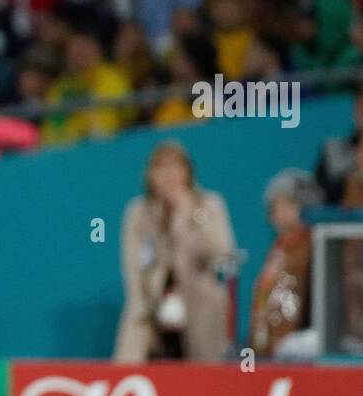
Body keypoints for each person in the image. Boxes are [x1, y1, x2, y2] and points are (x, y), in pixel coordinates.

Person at [115, 140, 235, 362]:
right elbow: (132, 265)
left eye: (175, 167)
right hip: (153, 303)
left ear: (188, 172)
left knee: (205, 374)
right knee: (134, 352)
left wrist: (188, 212)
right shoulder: (139, 212)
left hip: (199, 303)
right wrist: (141, 309)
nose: (168, 175)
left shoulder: (208, 204)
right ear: (149, 175)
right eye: (160, 168)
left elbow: (222, 250)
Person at [250, 169, 321, 359]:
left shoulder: (313, 248)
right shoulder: (277, 250)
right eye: (276, 206)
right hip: (269, 346)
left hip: (298, 344)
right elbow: (264, 295)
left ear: (304, 207)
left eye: (288, 205)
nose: (280, 213)